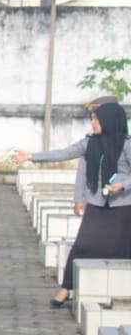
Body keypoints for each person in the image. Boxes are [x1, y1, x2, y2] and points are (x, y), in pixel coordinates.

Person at [12, 99, 131, 307]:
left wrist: (123, 185)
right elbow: (65, 155)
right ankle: (66, 288)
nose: (93, 124)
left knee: (119, 249)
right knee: (83, 245)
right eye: (92, 119)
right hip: (97, 202)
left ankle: (118, 292)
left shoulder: (127, 145)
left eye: (97, 120)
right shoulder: (89, 143)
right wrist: (31, 156)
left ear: (110, 121)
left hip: (122, 206)